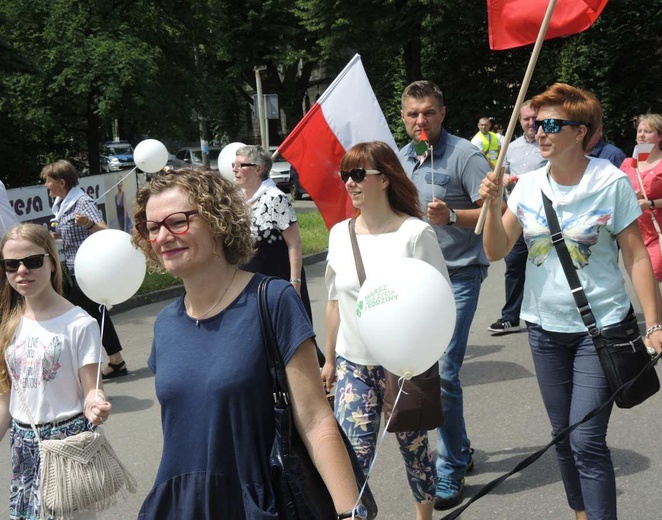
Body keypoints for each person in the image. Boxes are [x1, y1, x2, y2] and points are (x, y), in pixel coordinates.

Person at [479, 83, 662, 520]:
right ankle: (581, 513)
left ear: (580, 131)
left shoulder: (610, 182)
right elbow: (496, 250)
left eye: (551, 124)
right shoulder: (529, 186)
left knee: (585, 438)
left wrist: (654, 324)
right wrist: (493, 207)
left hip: (601, 328)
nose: (539, 133)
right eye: (535, 125)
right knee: (562, 433)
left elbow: (636, 256)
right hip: (544, 329)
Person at [132, 168, 363, 519]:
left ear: (217, 221)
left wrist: (351, 514)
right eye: (153, 227)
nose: (163, 236)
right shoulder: (165, 324)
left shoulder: (271, 300)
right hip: (183, 507)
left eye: (177, 222)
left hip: (256, 504)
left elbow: (316, 420)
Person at [322, 142, 449, 520]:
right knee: (351, 461)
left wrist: (423, 355)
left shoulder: (414, 234)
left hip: (403, 366)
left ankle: (424, 516)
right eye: (345, 174)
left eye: (359, 174)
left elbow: (439, 303)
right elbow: (333, 303)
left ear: (385, 180)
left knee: (415, 453)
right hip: (352, 367)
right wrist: (329, 361)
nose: (350, 182)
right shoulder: (339, 234)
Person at [398, 80, 490, 510]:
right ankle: (463, 448)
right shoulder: (401, 157)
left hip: (458, 276)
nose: (421, 120)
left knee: (447, 373)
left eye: (429, 112)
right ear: (403, 117)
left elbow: (497, 216)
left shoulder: (465, 155)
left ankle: (450, 467)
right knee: (422, 372)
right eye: (414, 113)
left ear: (443, 113)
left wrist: (452, 214)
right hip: (415, 279)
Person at [0, 223, 111, 520]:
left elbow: (92, 390)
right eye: (11, 264)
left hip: (68, 445)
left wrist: (96, 404)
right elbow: (6, 399)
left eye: (32, 261)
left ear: (51, 262)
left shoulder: (80, 323)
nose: (21, 271)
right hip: (25, 447)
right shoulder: (9, 324)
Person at [40, 160, 128, 380]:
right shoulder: (62, 203)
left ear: (61, 182)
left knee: (69, 315)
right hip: (74, 268)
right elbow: (69, 233)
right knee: (97, 314)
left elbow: (104, 230)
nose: (45, 185)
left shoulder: (81, 202)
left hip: (88, 269)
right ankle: (116, 361)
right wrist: (54, 237)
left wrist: (89, 224)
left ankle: (69, 368)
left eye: (48, 181)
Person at [234, 145, 313, 323]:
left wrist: (295, 284)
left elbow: (294, 243)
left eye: (240, 165)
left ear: (258, 169)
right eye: (234, 164)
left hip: (276, 285)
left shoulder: (275, 198)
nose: (234, 169)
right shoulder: (238, 200)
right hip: (246, 287)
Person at [488, 101, 547, 335]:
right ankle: (510, 317)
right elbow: (503, 173)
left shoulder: (548, 144)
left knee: (545, 264)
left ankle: (546, 315)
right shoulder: (510, 148)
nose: (531, 123)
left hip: (544, 216)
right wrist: (504, 179)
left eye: (534, 118)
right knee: (513, 266)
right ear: (520, 121)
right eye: (526, 119)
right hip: (518, 214)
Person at [619, 113, 662, 321]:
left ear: (660, 136)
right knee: (647, 282)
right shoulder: (630, 163)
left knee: (649, 278)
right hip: (636, 232)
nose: (641, 135)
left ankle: (652, 329)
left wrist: (652, 203)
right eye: (639, 131)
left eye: (647, 131)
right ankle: (657, 326)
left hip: (661, 231)